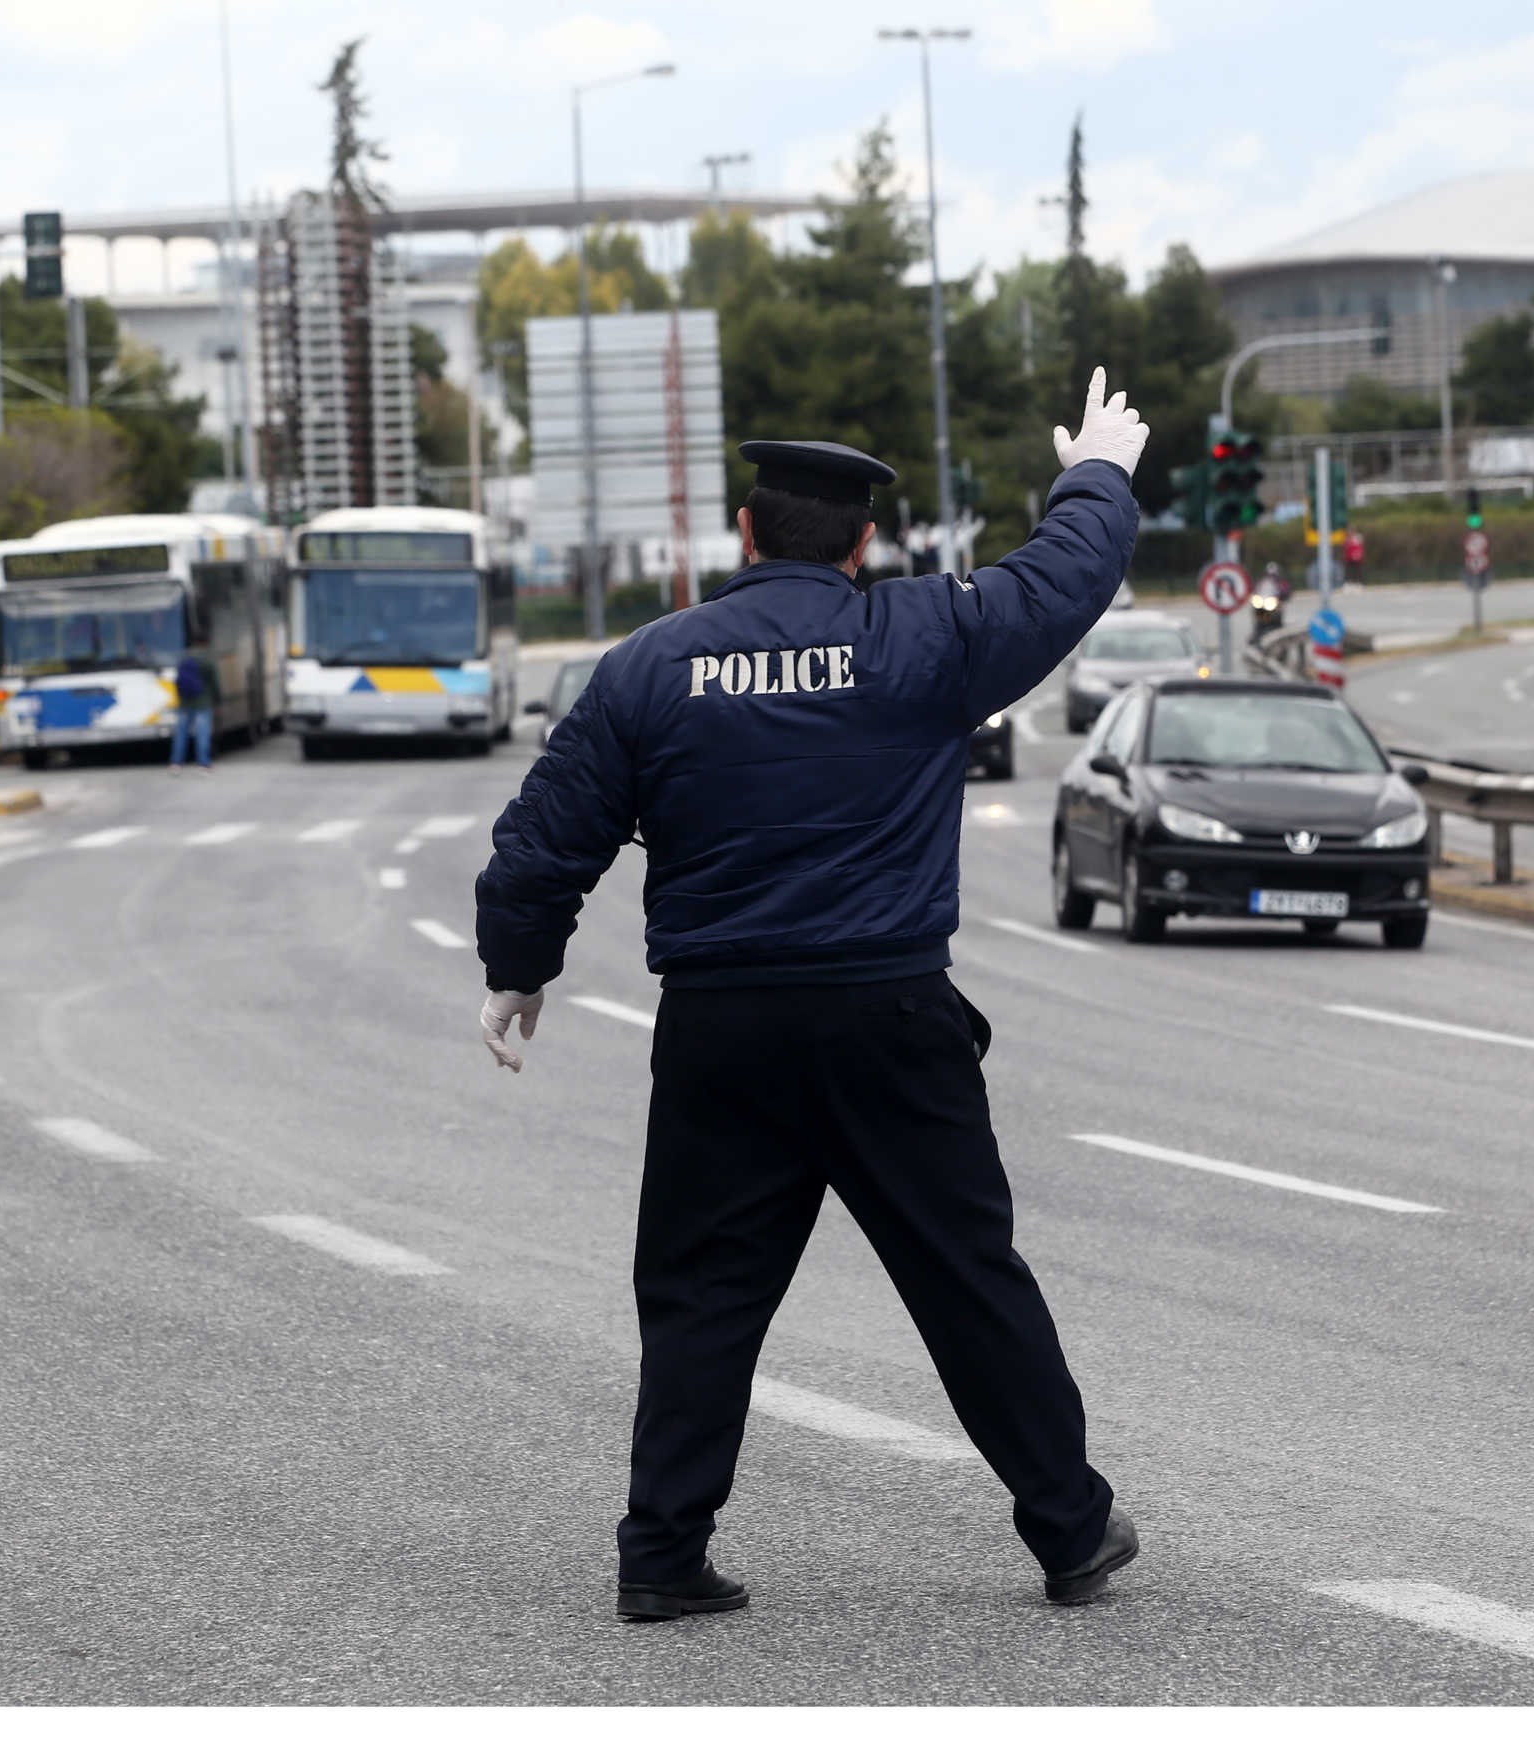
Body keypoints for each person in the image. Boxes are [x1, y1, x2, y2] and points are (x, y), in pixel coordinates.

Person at [474, 368, 1150, 1623]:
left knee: (700, 1293)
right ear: (863, 543)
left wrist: (520, 964)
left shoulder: (647, 668)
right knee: (966, 1280)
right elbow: (1062, 579)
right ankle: (1068, 1529)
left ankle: (662, 1554)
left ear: (742, 535)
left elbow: (544, 839)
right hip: (888, 1015)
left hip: (722, 1029)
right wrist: (1094, 473)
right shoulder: (922, 637)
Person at [169, 653, 213, 773]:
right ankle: (204, 764)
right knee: (202, 734)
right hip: (202, 703)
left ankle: (176, 763)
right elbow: (214, 683)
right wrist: (217, 700)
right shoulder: (207, 660)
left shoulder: (183, 657)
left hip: (185, 703)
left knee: (181, 734)